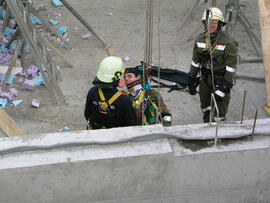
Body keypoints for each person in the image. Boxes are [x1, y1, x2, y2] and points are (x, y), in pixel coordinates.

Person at [188, 7, 238, 123]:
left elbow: (231, 70)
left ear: (220, 24)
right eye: (207, 22)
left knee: (219, 115)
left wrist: (222, 89)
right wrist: (191, 79)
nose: (210, 25)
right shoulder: (200, 39)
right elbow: (195, 63)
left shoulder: (229, 43)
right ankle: (206, 133)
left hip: (221, 81)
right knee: (206, 109)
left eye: (214, 22)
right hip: (205, 81)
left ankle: (219, 136)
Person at [84, 56, 137, 129]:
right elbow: (132, 124)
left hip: (94, 134)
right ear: (119, 76)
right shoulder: (124, 100)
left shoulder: (92, 92)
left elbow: (87, 114)